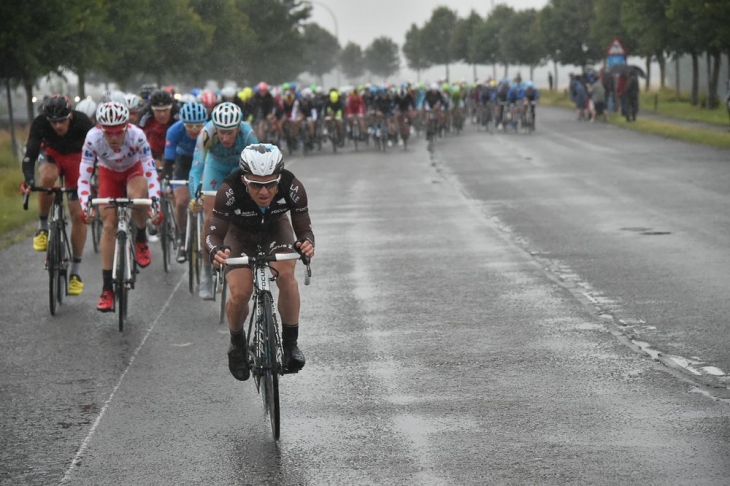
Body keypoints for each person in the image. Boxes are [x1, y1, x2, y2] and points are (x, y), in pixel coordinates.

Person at [205, 144, 314, 380]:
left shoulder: (293, 187)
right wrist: (215, 250)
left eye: (270, 184)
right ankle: (237, 343)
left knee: (287, 279)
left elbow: (304, 229)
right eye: (256, 185)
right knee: (241, 291)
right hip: (238, 235)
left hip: (276, 229)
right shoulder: (229, 190)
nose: (264, 192)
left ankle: (290, 345)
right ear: (245, 180)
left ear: (279, 178)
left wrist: (306, 242)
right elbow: (213, 234)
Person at [77, 102, 162, 311]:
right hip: (109, 175)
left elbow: (150, 171)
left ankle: (141, 236)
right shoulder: (92, 139)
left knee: (137, 196)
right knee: (108, 225)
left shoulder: (137, 135)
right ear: (100, 129)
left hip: (133, 170)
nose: (114, 137)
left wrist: (155, 202)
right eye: (109, 132)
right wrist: (85, 206)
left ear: (126, 127)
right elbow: (84, 177)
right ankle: (107, 288)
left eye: (118, 132)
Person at [20, 95, 94, 295]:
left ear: (70, 116)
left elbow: (96, 152)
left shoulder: (83, 122)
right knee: (47, 178)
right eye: (54, 122)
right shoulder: (40, 123)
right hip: (52, 155)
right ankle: (43, 227)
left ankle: (75, 273)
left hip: (76, 159)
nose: (58, 126)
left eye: (62, 120)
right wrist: (28, 180)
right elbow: (30, 154)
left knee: (78, 215)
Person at [188, 102, 259, 300]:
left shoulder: (248, 135)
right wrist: (195, 196)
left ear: (238, 127)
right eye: (222, 133)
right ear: (215, 129)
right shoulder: (207, 134)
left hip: (240, 168)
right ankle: (206, 275)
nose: (226, 137)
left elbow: (259, 168)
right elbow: (195, 169)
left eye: (230, 132)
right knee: (210, 218)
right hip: (215, 168)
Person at [163, 101, 208, 263]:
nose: (194, 131)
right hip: (183, 162)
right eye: (190, 126)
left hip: (204, 161)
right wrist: (167, 182)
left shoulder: (211, 130)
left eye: (198, 126)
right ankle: (182, 239)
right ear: (183, 123)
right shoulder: (174, 131)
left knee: (210, 199)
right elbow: (168, 161)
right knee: (181, 202)